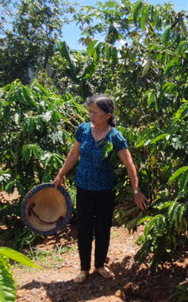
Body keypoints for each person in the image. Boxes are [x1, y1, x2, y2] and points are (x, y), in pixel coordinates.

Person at [53, 94, 148, 284]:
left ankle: (100, 265)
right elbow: (73, 154)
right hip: (84, 188)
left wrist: (136, 190)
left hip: (105, 189)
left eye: (95, 112)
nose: (91, 116)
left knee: (103, 227)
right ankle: (83, 268)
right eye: (89, 112)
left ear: (107, 114)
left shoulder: (115, 136)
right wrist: (61, 174)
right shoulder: (83, 130)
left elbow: (129, 164)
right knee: (85, 227)